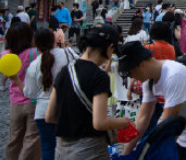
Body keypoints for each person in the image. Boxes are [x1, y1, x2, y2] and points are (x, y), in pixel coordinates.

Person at [118, 42, 186, 159]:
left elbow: (166, 122)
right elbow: (143, 118)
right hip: (180, 137)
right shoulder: (148, 82)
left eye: (130, 72)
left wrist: (144, 149)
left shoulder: (174, 75)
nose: (132, 77)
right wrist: (126, 152)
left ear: (141, 64)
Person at [45, 24, 131, 159]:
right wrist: (123, 122)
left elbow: (50, 116)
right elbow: (100, 122)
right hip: (90, 150)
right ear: (110, 48)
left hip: (62, 150)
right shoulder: (99, 76)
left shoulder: (65, 71)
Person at [23, 28, 76, 160]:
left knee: (47, 147)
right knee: (69, 146)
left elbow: (30, 92)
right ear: (54, 39)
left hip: (43, 111)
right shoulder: (67, 54)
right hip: (66, 108)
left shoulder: (34, 64)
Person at [3, 22, 41, 160]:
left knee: (14, 137)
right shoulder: (35, 52)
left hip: (15, 101)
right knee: (32, 138)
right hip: (33, 101)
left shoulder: (5, 55)